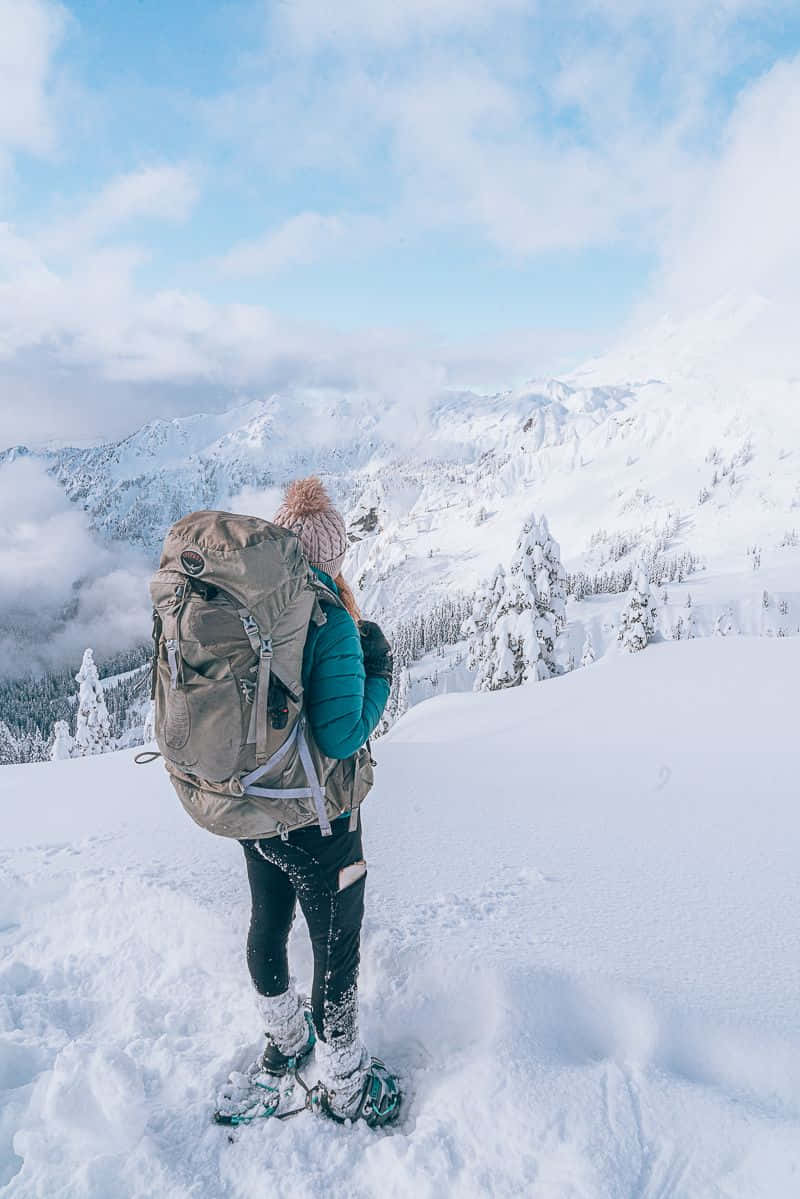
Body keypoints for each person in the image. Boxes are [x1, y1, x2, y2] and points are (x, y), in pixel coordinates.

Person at [238, 477, 400, 1127]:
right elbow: (340, 733)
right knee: (336, 943)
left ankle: (284, 1041)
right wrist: (380, 674)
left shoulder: (255, 606)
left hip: (253, 809)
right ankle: (346, 1082)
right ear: (333, 557)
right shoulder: (329, 618)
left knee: (267, 922)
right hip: (318, 820)